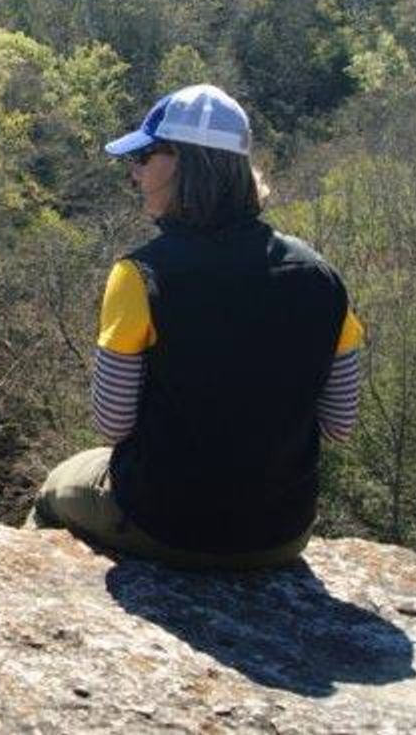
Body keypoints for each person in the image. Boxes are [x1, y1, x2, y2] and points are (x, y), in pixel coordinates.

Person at [25, 83, 363, 568]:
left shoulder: (140, 276)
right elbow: (341, 424)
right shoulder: (321, 277)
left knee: (56, 487)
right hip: (281, 533)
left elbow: (112, 423)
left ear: (183, 162)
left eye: (143, 158)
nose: (134, 174)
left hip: (163, 522)